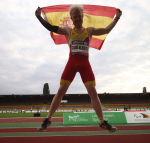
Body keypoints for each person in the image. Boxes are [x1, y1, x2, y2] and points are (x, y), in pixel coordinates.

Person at [35, 4, 122, 132]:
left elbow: (106, 30)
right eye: (74, 17)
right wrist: (39, 17)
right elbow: (51, 27)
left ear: (82, 16)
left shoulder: (90, 30)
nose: (77, 18)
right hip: (72, 63)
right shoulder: (67, 31)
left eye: (79, 16)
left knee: (93, 91)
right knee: (61, 90)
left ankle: (102, 121)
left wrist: (116, 18)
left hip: (85, 64)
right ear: (71, 18)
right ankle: (48, 119)